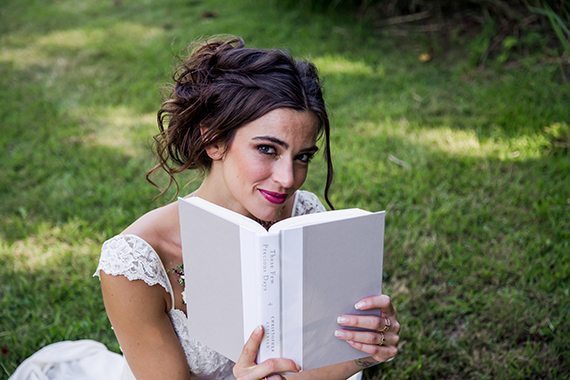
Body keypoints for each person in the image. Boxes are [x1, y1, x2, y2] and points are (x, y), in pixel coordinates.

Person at [11, 36, 400, 380]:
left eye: (303, 156)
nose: (288, 178)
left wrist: (360, 353)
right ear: (214, 140)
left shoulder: (301, 215)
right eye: (267, 149)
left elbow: (306, 361)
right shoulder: (135, 262)